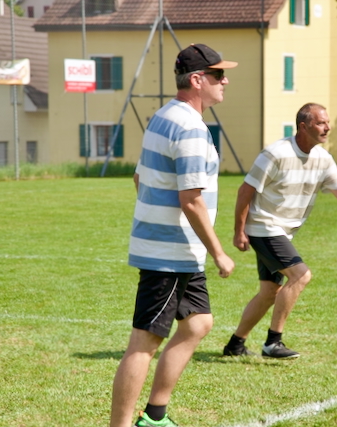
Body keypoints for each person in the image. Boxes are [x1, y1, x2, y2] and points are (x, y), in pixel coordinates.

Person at [110, 44, 237, 427]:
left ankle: (154, 416)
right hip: (171, 253)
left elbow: (139, 178)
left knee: (198, 324)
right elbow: (191, 200)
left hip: (177, 249)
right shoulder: (191, 128)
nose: (225, 81)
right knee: (144, 342)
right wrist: (219, 252)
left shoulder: (163, 117)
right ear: (197, 80)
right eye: (218, 75)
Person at [223, 103, 337, 359]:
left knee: (269, 292)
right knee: (300, 276)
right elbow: (245, 191)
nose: (328, 127)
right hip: (263, 227)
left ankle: (235, 345)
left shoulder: (323, 159)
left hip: (282, 232)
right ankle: (273, 342)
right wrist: (239, 231)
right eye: (321, 123)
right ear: (303, 127)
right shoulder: (275, 154)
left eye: (328, 122)